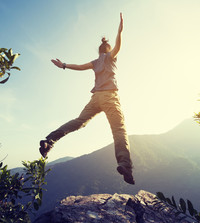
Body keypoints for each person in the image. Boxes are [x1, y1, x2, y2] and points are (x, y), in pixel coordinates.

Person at [39, 13, 134, 185]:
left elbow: (80, 67)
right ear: (108, 50)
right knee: (119, 130)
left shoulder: (95, 61)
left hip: (95, 98)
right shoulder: (111, 57)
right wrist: (120, 30)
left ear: (98, 51)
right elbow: (118, 45)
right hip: (110, 97)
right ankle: (125, 164)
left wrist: (64, 65)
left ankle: (50, 140)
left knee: (79, 121)